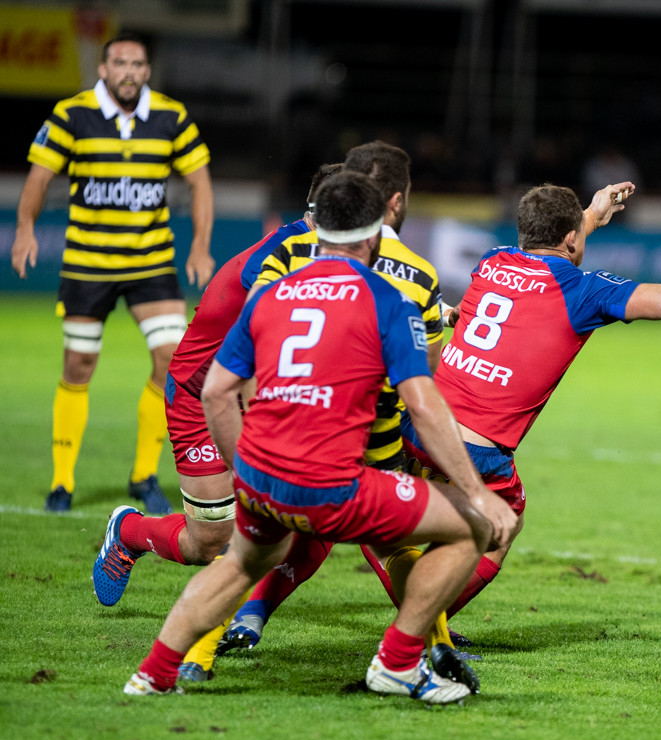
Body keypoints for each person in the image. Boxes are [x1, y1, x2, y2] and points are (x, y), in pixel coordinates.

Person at [122, 170, 518, 703]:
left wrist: (246, 470)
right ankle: (397, 663)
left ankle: (152, 674)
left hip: (263, 480)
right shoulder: (386, 300)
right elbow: (423, 405)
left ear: (316, 227)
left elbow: (216, 392)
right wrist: (476, 492)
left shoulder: (270, 294)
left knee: (238, 563)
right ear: (375, 235)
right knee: (473, 524)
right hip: (334, 488)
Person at [388, 181, 661, 637]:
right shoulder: (583, 291)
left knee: (417, 521)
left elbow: (543, 247)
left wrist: (592, 216)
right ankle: (421, 629)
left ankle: (417, 615)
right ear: (571, 238)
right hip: (478, 451)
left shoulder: (492, 260)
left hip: (418, 423)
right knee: (501, 523)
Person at [92, 163, 342, 682]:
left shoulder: (326, 253)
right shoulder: (282, 257)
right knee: (210, 540)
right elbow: (260, 341)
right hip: (201, 396)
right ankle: (130, 533)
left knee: (297, 514)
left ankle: (244, 619)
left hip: (249, 396)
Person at [215, 141, 448, 655]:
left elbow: (252, 332)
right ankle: (425, 651)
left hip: (284, 428)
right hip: (372, 440)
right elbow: (424, 377)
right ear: (395, 201)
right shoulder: (418, 275)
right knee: (416, 539)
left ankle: (199, 650)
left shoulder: (293, 251)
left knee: (252, 545)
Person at [11, 31, 215, 514]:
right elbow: (39, 177)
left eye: (138, 65)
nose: (129, 72)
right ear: (103, 69)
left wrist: (200, 245)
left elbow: (200, 182)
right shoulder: (72, 114)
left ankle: (144, 475)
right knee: (78, 365)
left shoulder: (171, 116)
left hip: (151, 261)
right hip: (88, 263)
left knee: (172, 360)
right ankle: (62, 483)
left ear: (147, 72)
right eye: (120, 63)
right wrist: (24, 228)